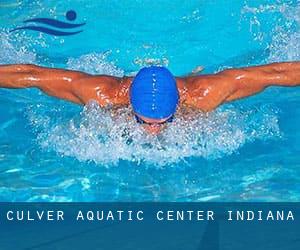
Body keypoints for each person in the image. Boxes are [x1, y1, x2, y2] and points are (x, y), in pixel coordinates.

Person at [0, 62, 299, 134]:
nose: (153, 131)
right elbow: (31, 75)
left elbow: (273, 74)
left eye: (163, 122)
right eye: (143, 121)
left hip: (191, 84)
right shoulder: (101, 93)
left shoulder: (204, 94)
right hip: (117, 85)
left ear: (177, 107)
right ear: (130, 105)